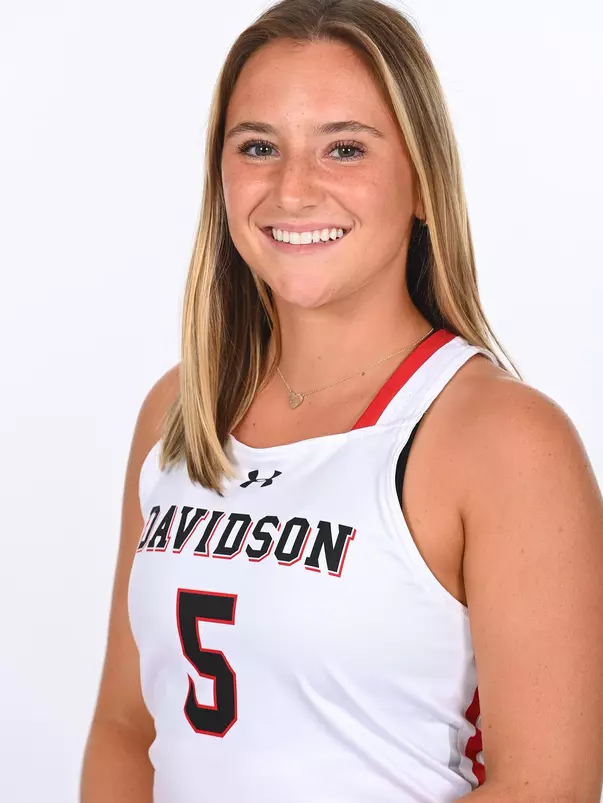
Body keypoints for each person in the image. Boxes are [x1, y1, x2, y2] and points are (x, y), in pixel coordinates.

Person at [80, 1, 603, 801]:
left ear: (422, 181)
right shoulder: (179, 411)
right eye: (258, 147)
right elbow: (126, 726)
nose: (293, 190)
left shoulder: (501, 438)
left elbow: (547, 786)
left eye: (344, 148)